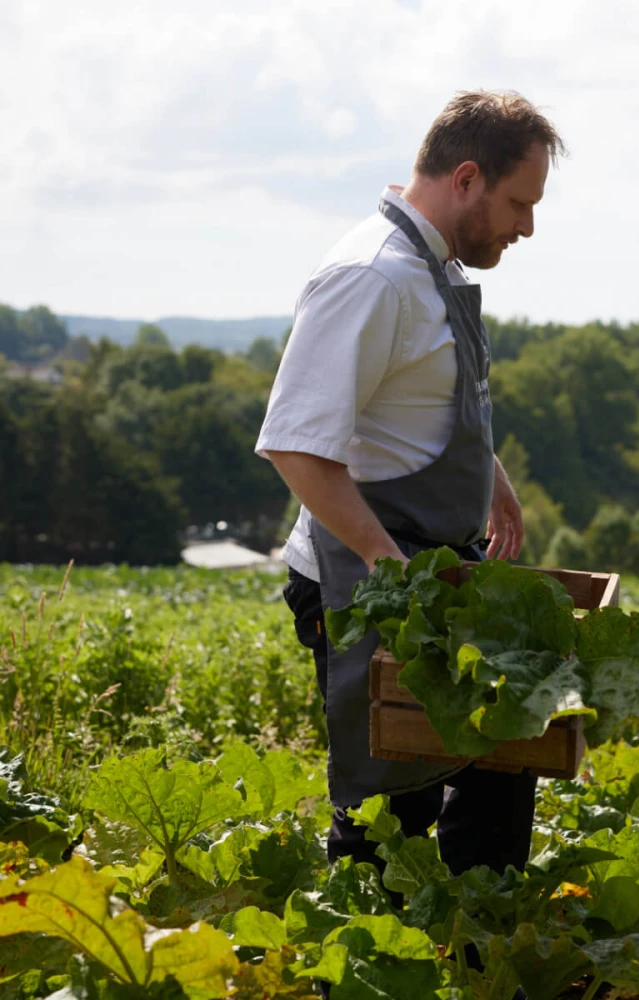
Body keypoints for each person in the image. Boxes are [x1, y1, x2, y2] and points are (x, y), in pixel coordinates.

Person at [256, 88, 564, 957]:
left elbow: (407, 407)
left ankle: (478, 967)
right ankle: (355, 971)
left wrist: (488, 475)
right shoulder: (371, 275)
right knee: (389, 812)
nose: (526, 229)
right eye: (519, 205)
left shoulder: (435, 268)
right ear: (467, 179)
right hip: (371, 584)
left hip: (439, 573)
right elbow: (298, 444)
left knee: (500, 787)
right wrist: (388, 563)